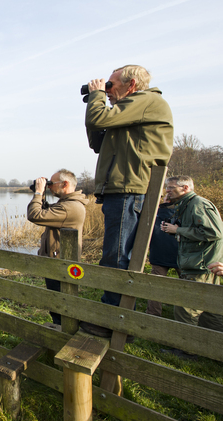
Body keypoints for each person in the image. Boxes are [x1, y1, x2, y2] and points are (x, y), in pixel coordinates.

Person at [81, 64, 174, 338]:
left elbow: (100, 119)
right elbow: (98, 141)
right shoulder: (129, 113)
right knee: (115, 255)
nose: (107, 91)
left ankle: (115, 321)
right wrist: (93, 100)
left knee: (117, 257)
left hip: (129, 190)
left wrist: (97, 97)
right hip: (121, 190)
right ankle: (116, 318)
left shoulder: (147, 101)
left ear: (131, 85)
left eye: (110, 85)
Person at [159, 176, 223, 337]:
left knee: (186, 309)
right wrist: (173, 229)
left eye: (171, 187)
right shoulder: (186, 205)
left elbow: (214, 232)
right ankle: (212, 345)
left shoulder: (198, 204)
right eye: (167, 187)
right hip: (200, 264)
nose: (167, 190)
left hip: (200, 266)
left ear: (186, 188)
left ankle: (186, 349)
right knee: (209, 310)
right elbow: (197, 233)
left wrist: (178, 230)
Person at [26, 169, 88, 329]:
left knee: (61, 305)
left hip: (61, 263)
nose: (50, 187)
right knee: (58, 304)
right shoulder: (67, 204)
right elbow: (46, 212)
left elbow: (35, 215)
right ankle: (63, 330)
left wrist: (39, 192)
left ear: (65, 184)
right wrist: (43, 194)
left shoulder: (70, 207)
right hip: (58, 261)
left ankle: (66, 333)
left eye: (52, 184)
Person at [146, 199, 180, 317]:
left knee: (156, 287)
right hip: (180, 255)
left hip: (159, 254)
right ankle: (185, 316)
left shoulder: (154, 215)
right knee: (186, 286)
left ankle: (153, 314)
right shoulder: (183, 214)